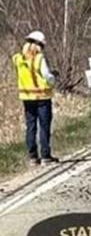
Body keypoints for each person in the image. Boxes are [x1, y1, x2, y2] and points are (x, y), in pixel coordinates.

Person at [12, 31, 58, 165]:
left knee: (30, 126)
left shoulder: (17, 58)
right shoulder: (39, 58)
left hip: (26, 97)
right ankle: (45, 156)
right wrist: (53, 78)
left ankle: (32, 156)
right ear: (39, 45)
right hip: (42, 97)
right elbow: (47, 77)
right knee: (44, 126)